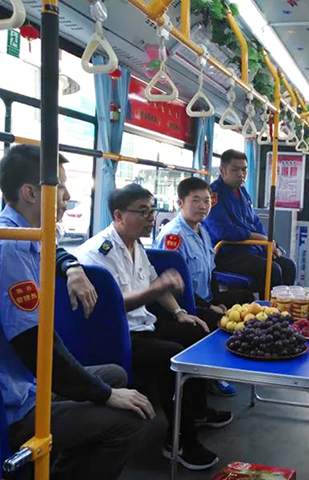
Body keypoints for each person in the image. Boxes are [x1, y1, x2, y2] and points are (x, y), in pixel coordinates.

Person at [0, 145, 154, 480]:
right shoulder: (10, 248)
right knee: (131, 418)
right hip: (12, 405)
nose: (67, 197)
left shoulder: (29, 233)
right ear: (30, 193)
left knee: (114, 373)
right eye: (60, 187)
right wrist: (105, 396)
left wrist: (72, 268)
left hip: (26, 382)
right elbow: (35, 346)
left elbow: (53, 250)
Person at [76, 184, 233, 470]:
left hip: (143, 325)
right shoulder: (98, 253)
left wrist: (179, 312)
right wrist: (156, 289)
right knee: (170, 356)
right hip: (116, 335)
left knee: (197, 331)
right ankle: (180, 442)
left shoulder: (137, 245)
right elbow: (112, 305)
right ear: (118, 215)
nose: (151, 218)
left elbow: (153, 284)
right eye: (143, 212)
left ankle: (198, 411)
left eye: (152, 210)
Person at [153, 177, 253, 397]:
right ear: (180, 203)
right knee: (217, 322)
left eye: (206, 201)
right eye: (195, 200)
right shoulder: (174, 236)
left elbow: (211, 273)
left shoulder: (203, 231)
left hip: (204, 298)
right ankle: (212, 376)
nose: (202, 206)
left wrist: (217, 300)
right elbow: (177, 286)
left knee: (246, 299)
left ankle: (228, 364)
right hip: (183, 304)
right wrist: (210, 306)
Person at [203, 149, 296, 296]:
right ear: (222, 171)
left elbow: (255, 222)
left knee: (288, 266)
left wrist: (268, 244)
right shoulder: (213, 195)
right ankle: (268, 308)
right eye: (235, 170)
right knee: (272, 270)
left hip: (250, 250)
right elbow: (223, 231)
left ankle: (284, 305)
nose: (241, 174)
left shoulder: (243, 193)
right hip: (228, 253)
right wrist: (259, 238)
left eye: (244, 169)